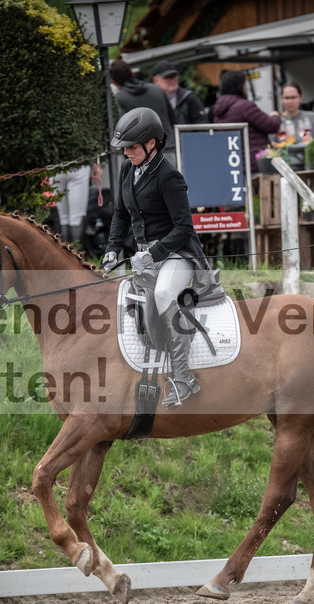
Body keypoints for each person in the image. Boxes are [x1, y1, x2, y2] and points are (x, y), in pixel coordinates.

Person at [101, 107, 208, 409]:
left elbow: (184, 227)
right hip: (144, 255)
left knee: (162, 294)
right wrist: (112, 248)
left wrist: (154, 254)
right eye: (124, 147)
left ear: (152, 143)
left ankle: (184, 379)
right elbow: (121, 214)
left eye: (132, 147)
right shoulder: (127, 170)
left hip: (177, 253)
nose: (126, 152)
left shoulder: (168, 175)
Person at [109, 59, 178, 167]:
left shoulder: (119, 98)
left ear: (113, 81)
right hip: (168, 149)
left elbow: (124, 132)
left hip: (141, 155)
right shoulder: (157, 90)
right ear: (132, 73)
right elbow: (174, 120)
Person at [212, 69, 281, 170]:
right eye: (245, 84)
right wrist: (275, 116)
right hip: (253, 164)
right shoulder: (245, 106)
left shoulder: (218, 110)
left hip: (233, 165)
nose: (246, 87)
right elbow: (271, 126)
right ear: (239, 86)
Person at [50, 162, 102, 243]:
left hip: (55, 166)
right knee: (76, 217)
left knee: (64, 217)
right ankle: (75, 251)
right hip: (78, 165)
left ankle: (66, 251)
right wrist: (96, 164)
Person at [151, 60, 206, 126]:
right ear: (156, 80)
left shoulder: (189, 98)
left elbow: (202, 125)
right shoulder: (151, 101)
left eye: (174, 76)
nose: (172, 80)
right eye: (168, 77)